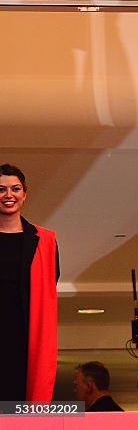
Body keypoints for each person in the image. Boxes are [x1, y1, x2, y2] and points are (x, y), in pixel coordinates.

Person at [0, 163, 58, 403]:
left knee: (22, 399)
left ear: (24, 194)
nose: (8, 195)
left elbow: (50, 283)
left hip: (25, 336)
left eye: (15, 188)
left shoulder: (45, 240)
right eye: (1, 189)